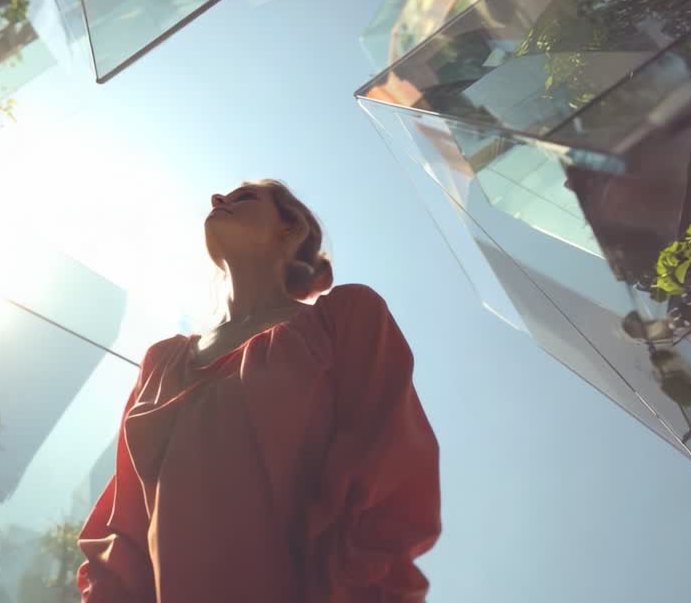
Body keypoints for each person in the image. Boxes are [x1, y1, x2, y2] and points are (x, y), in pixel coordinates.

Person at [77, 179, 441, 602]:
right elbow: (122, 532)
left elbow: (387, 476)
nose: (217, 198)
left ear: (292, 229)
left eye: (244, 196)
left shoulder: (346, 318)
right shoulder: (161, 361)